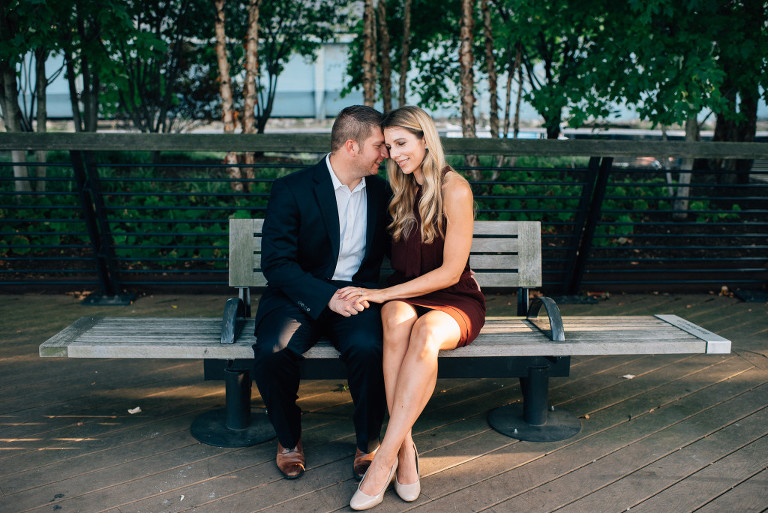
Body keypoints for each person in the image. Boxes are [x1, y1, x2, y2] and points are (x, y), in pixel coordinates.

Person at [339, 106, 486, 510]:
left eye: (402, 144)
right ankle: (406, 449)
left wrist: (382, 293)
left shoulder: (455, 188)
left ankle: (385, 456)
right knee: (397, 318)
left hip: (454, 296)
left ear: (425, 139)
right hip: (404, 295)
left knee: (423, 333)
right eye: (388, 146)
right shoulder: (398, 190)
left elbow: (451, 271)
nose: (394, 154)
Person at [252, 105, 391, 481]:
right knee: (272, 351)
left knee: (370, 348)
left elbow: (407, 245)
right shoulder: (292, 189)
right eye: (379, 146)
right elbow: (276, 264)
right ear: (352, 146)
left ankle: (367, 442)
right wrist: (324, 297)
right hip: (298, 294)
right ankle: (288, 438)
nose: (387, 153)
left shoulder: (382, 192)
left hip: (358, 295)